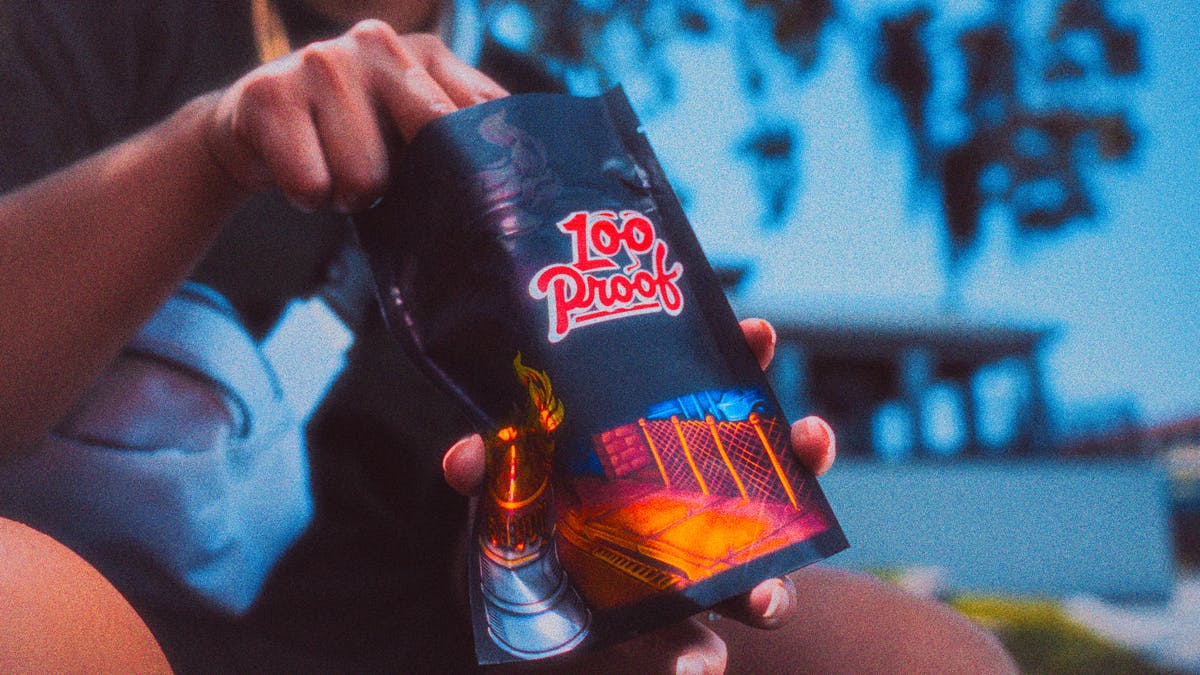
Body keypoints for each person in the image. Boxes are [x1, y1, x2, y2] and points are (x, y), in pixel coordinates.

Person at [0, 1, 1016, 672]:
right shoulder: (87, 27)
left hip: (421, 628)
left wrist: (606, 569)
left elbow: (475, 547)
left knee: (918, 655)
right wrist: (210, 150)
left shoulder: (546, 114)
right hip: (82, 597)